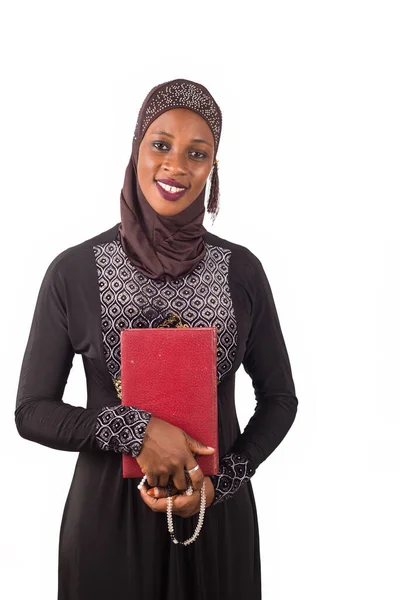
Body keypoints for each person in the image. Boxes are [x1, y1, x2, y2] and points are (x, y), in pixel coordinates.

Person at [15, 78, 299, 600]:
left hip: (217, 525)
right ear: (136, 150)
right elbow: (31, 411)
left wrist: (222, 484)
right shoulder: (76, 271)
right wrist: (133, 430)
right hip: (106, 528)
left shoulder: (242, 272)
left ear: (213, 168)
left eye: (198, 153)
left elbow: (280, 400)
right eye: (161, 145)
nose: (176, 166)